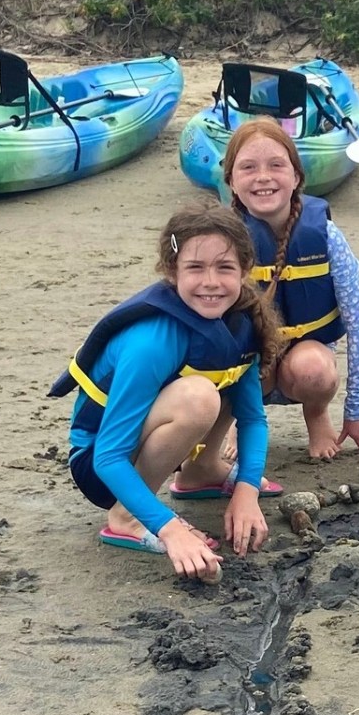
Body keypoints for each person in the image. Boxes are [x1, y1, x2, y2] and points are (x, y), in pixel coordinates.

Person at [49, 204, 282, 581]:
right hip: (100, 466)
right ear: (172, 272)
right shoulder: (151, 342)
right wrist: (170, 529)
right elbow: (108, 456)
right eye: (195, 267)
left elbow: (253, 419)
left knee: (221, 383)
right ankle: (127, 517)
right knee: (199, 396)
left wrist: (247, 490)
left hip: (149, 439)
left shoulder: (241, 323)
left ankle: (202, 472)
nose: (211, 282)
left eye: (224, 267)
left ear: (245, 270)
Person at [212, 117, 359, 475]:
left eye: (276, 165)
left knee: (314, 369)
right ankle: (238, 419)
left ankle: (316, 415)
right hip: (247, 363)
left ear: (297, 177)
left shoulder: (328, 237)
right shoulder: (220, 243)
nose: (263, 177)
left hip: (305, 359)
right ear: (232, 182)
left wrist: (357, 409)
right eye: (248, 168)